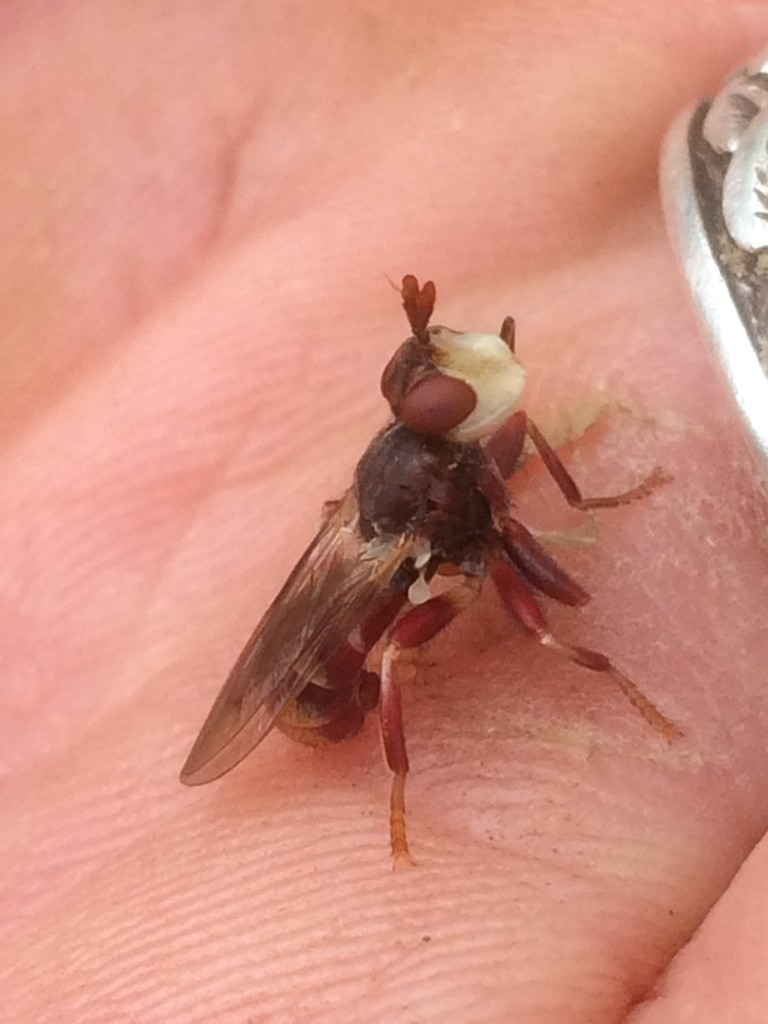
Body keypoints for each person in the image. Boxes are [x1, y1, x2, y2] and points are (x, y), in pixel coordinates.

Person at [2, 4, 765, 1021]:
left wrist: (578, 487)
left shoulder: (437, 458)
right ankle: (409, 790)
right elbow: (425, 572)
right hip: (327, 695)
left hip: (401, 550)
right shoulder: (423, 491)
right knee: (448, 648)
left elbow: (467, 476)